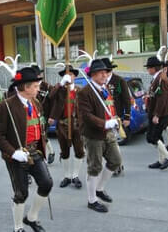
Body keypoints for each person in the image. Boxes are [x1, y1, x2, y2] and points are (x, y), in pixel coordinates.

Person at [0, 67, 53, 232]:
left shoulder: (36, 103)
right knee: (21, 193)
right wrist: (13, 153)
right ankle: (18, 227)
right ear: (26, 87)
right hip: (16, 155)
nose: (38, 89)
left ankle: (32, 218)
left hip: (35, 152)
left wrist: (44, 145)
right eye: (35, 86)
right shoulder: (6, 106)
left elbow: (40, 127)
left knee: (46, 183)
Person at [78, 59, 123, 213]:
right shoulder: (84, 92)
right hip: (93, 135)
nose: (105, 74)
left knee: (116, 161)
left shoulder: (105, 89)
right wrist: (105, 123)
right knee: (94, 167)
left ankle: (99, 188)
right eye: (102, 72)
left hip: (108, 133)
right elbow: (86, 116)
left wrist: (114, 120)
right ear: (94, 74)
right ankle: (92, 200)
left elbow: (110, 107)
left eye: (106, 72)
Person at [48, 65, 85, 189]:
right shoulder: (59, 90)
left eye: (71, 75)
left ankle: (75, 175)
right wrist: (60, 84)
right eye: (66, 75)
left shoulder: (80, 90)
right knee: (65, 152)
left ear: (75, 76)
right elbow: (50, 96)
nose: (69, 77)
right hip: (62, 124)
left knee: (79, 151)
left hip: (77, 124)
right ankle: (67, 176)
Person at [144, 56, 168, 170]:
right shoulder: (157, 77)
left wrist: (157, 114)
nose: (147, 70)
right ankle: (161, 159)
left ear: (154, 68)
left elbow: (162, 99)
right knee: (154, 137)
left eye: (148, 68)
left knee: (153, 137)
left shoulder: (161, 78)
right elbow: (155, 95)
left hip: (160, 113)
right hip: (154, 111)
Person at [102, 57, 130, 176]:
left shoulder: (119, 81)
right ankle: (114, 163)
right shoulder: (100, 82)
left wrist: (127, 116)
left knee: (113, 141)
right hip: (102, 117)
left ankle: (118, 164)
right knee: (107, 142)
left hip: (115, 116)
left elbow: (126, 99)